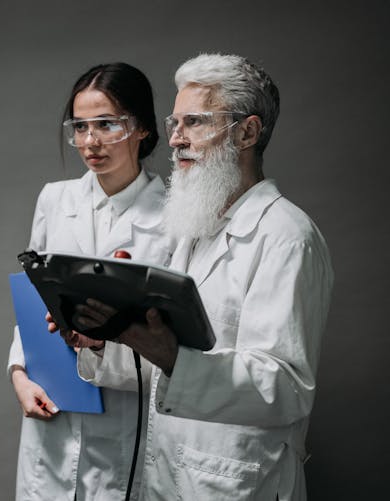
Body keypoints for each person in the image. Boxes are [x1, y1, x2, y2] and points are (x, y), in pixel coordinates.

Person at [68, 53, 333, 500]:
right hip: (172, 475)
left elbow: (285, 387)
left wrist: (172, 357)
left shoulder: (286, 235)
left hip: (237, 483)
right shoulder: (198, 230)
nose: (175, 139)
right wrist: (104, 340)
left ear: (247, 131)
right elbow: (165, 367)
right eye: (174, 123)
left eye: (194, 122)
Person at [7, 62, 174, 500]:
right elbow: (32, 299)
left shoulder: (174, 215)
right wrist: (20, 375)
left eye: (106, 124)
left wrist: (104, 341)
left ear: (141, 129)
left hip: (127, 420)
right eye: (80, 127)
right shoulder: (55, 199)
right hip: (54, 418)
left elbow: (177, 343)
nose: (90, 142)